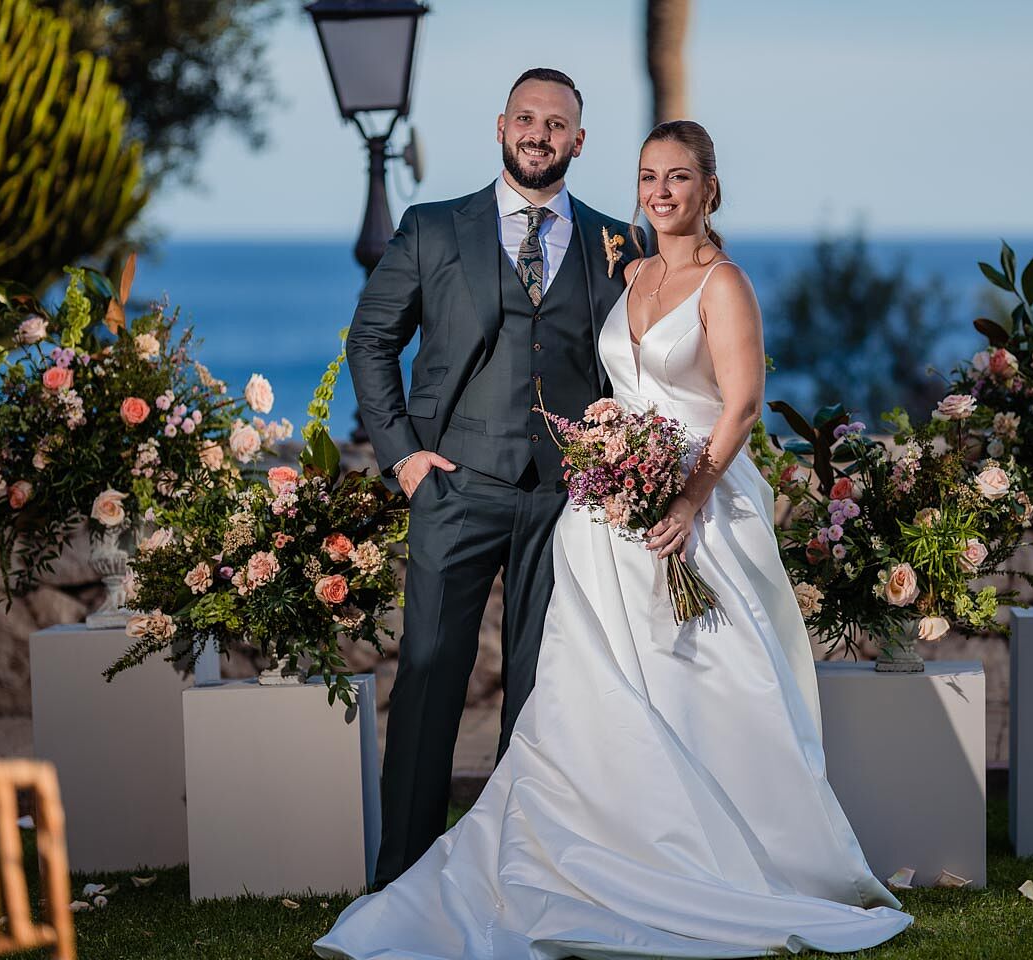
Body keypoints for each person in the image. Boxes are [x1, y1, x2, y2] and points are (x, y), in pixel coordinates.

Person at [316, 118, 912, 959]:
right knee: (564, 697)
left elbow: (740, 403)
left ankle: (707, 859)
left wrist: (685, 497)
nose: (661, 192)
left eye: (679, 177)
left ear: (710, 188)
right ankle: (533, 856)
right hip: (586, 518)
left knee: (691, 687)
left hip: (685, 510)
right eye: (649, 177)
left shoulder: (711, 279)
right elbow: (406, 342)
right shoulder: (620, 265)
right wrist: (418, 456)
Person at [345, 67, 640, 889]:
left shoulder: (619, 242)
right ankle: (402, 879)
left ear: (579, 141)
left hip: (567, 499)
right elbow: (371, 341)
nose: (540, 134)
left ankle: (518, 873)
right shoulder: (434, 227)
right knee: (430, 673)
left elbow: (636, 365)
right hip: (455, 485)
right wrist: (404, 456)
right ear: (501, 126)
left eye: (557, 124)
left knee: (543, 694)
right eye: (527, 118)